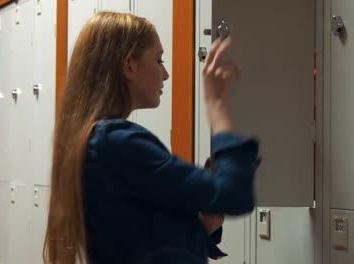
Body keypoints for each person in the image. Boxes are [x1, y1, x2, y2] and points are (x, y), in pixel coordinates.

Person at [43, 12, 260, 264]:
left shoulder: (101, 141)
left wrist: (203, 224)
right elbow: (233, 194)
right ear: (129, 66)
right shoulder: (117, 143)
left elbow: (141, 243)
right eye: (159, 60)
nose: (165, 74)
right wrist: (218, 105)